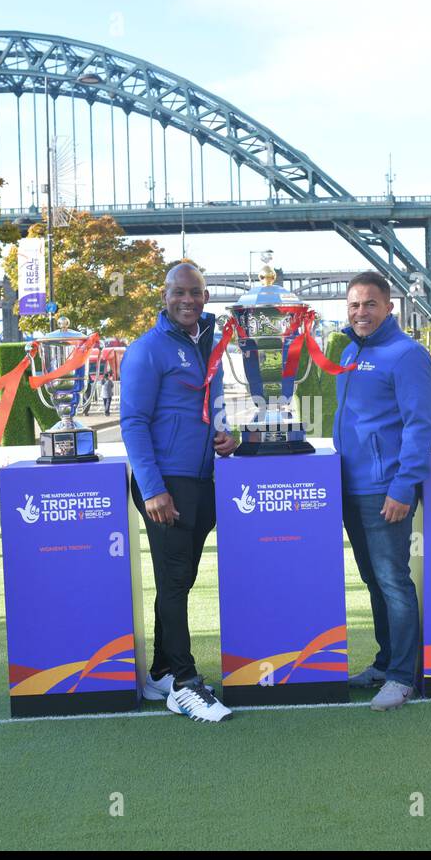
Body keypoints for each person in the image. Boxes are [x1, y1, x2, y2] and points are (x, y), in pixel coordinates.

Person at [120, 262, 239, 723]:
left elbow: (212, 409)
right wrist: (152, 488)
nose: (187, 300)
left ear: (206, 297)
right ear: (165, 294)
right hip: (164, 487)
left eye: (195, 293)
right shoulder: (147, 350)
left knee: (180, 581)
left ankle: (162, 671)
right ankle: (186, 683)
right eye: (179, 292)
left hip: (201, 484)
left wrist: (230, 439)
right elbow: (133, 421)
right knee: (173, 580)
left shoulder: (206, 345)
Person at [335, 272, 431, 712]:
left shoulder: (407, 355)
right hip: (350, 487)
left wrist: (403, 485)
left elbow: (419, 426)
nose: (361, 312)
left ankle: (402, 676)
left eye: (370, 304)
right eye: (355, 305)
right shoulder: (348, 351)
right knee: (373, 580)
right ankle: (384, 661)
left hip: (385, 489)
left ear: (388, 307)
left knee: (394, 582)